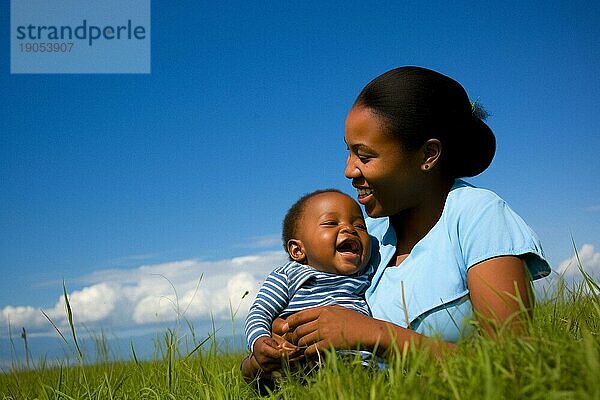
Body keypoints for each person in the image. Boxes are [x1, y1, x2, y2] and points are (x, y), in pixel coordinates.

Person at [270, 66, 551, 359]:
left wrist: (371, 333)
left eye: (364, 156)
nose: (349, 170)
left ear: (428, 154)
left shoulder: (478, 216)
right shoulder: (367, 236)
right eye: (349, 152)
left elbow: (515, 361)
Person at [241, 189, 373, 380]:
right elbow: (260, 311)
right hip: (303, 364)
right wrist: (259, 341)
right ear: (297, 250)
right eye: (331, 223)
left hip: (360, 369)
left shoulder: (366, 273)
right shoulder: (289, 274)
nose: (349, 229)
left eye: (360, 226)